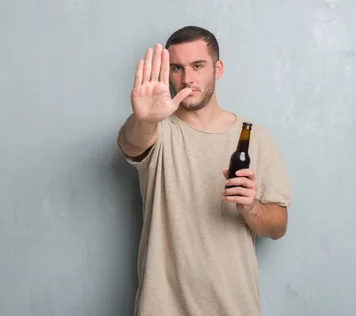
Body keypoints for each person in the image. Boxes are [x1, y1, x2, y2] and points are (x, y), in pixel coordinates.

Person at [116, 25, 293, 316]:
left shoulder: (254, 138)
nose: (187, 78)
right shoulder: (156, 129)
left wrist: (252, 208)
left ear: (218, 68)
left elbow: (278, 226)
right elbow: (131, 143)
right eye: (177, 68)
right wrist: (145, 119)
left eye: (197, 66)